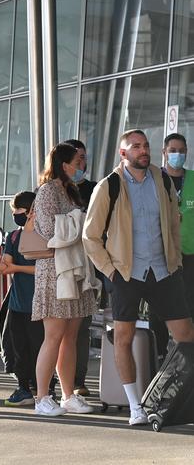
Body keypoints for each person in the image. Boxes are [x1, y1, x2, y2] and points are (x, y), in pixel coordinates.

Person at [83, 129, 194, 426]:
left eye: (145, 146)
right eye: (136, 147)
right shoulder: (110, 186)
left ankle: (168, 398)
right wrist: (111, 271)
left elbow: (173, 223)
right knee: (124, 337)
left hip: (163, 270)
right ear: (123, 153)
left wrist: (175, 260)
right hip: (127, 273)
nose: (143, 150)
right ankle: (135, 406)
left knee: (186, 336)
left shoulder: (162, 180)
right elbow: (90, 236)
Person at [31, 143, 99, 417]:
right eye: (77, 160)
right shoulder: (48, 190)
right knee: (54, 335)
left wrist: (77, 220)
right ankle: (41, 397)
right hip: (55, 270)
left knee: (70, 335)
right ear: (63, 163)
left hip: (73, 267)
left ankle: (68, 394)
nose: (81, 164)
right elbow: (48, 230)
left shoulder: (69, 189)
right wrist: (80, 220)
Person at [0, 191, 42, 406]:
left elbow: (42, 269)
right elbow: (6, 264)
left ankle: (44, 389)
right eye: (13, 211)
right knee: (20, 348)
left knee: (39, 347)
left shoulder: (43, 235)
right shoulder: (14, 236)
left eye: (19, 211)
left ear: (32, 211)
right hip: (17, 302)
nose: (15, 215)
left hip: (39, 302)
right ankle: (23, 388)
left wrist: (15, 268)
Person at [149, 133, 194, 358]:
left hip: (190, 252)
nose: (178, 154)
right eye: (173, 150)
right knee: (159, 304)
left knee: (189, 300)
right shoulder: (153, 180)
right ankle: (158, 354)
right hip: (160, 253)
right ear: (164, 152)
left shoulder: (193, 179)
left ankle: (186, 355)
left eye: (182, 150)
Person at [62, 139, 98, 397]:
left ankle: (78, 379)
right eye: (78, 160)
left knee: (81, 327)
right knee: (57, 328)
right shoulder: (54, 190)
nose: (82, 164)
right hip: (62, 266)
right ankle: (56, 381)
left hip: (87, 265)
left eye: (84, 158)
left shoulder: (96, 189)